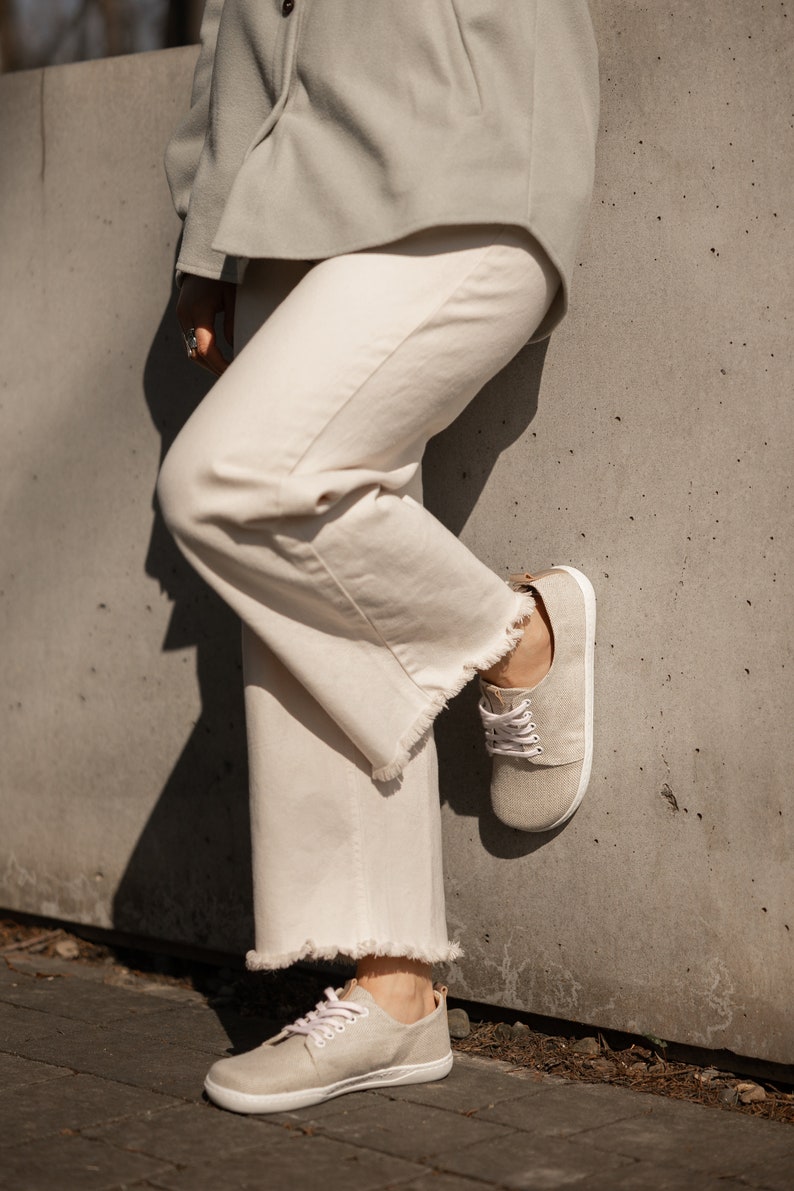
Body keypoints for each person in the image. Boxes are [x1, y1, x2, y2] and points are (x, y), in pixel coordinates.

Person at [157, 0, 599, 1115]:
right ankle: (392, 988)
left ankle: (509, 636)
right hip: (285, 195)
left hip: (466, 146)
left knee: (231, 480)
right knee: (299, 591)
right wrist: (206, 241)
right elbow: (234, 32)